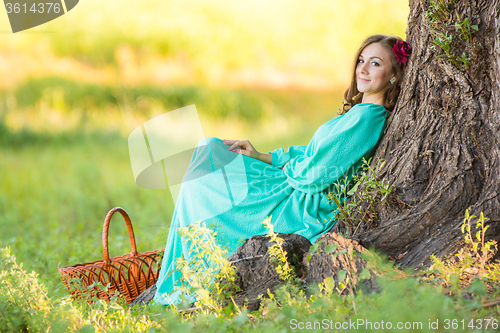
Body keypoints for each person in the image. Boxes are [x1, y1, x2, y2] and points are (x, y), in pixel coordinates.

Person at [154, 34, 412, 305]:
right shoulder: (357, 112)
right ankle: (183, 270)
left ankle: (184, 280)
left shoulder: (368, 118)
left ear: (393, 75)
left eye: (374, 63)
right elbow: (311, 153)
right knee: (211, 150)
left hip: (302, 202)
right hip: (296, 181)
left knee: (202, 179)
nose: (362, 68)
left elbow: (315, 174)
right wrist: (264, 156)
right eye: (361, 60)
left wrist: (283, 168)